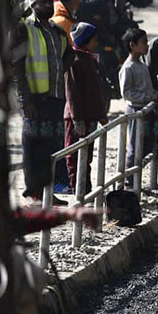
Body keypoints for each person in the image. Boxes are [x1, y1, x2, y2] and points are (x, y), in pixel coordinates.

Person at [9, 0, 75, 202]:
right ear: (33, 6)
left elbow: (70, 54)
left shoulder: (58, 31)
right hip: (34, 99)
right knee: (33, 148)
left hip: (55, 97)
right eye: (42, 2)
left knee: (52, 147)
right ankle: (33, 192)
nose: (47, 5)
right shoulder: (24, 29)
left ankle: (47, 193)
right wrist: (25, 99)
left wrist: (59, 68)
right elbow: (17, 67)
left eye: (49, 1)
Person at [64, 22, 110, 193]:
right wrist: (77, 119)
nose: (96, 42)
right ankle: (76, 187)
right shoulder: (74, 61)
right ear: (85, 40)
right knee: (74, 154)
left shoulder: (90, 60)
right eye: (93, 39)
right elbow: (71, 92)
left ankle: (85, 188)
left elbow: (96, 92)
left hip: (90, 117)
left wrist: (101, 114)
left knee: (87, 154)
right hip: (77, 117)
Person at [118, 28, 158, 171]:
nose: (147, 45)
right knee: (135, 145)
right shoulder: (128, 68)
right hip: (135, 110)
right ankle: (129, 178)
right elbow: (127, 93)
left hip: (145, 109)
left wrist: (155, 95)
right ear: (132, 45)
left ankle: (136, 176)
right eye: (144, 42)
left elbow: (145, 88)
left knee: (146, 145)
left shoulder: (142, 65)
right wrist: (149, 97)